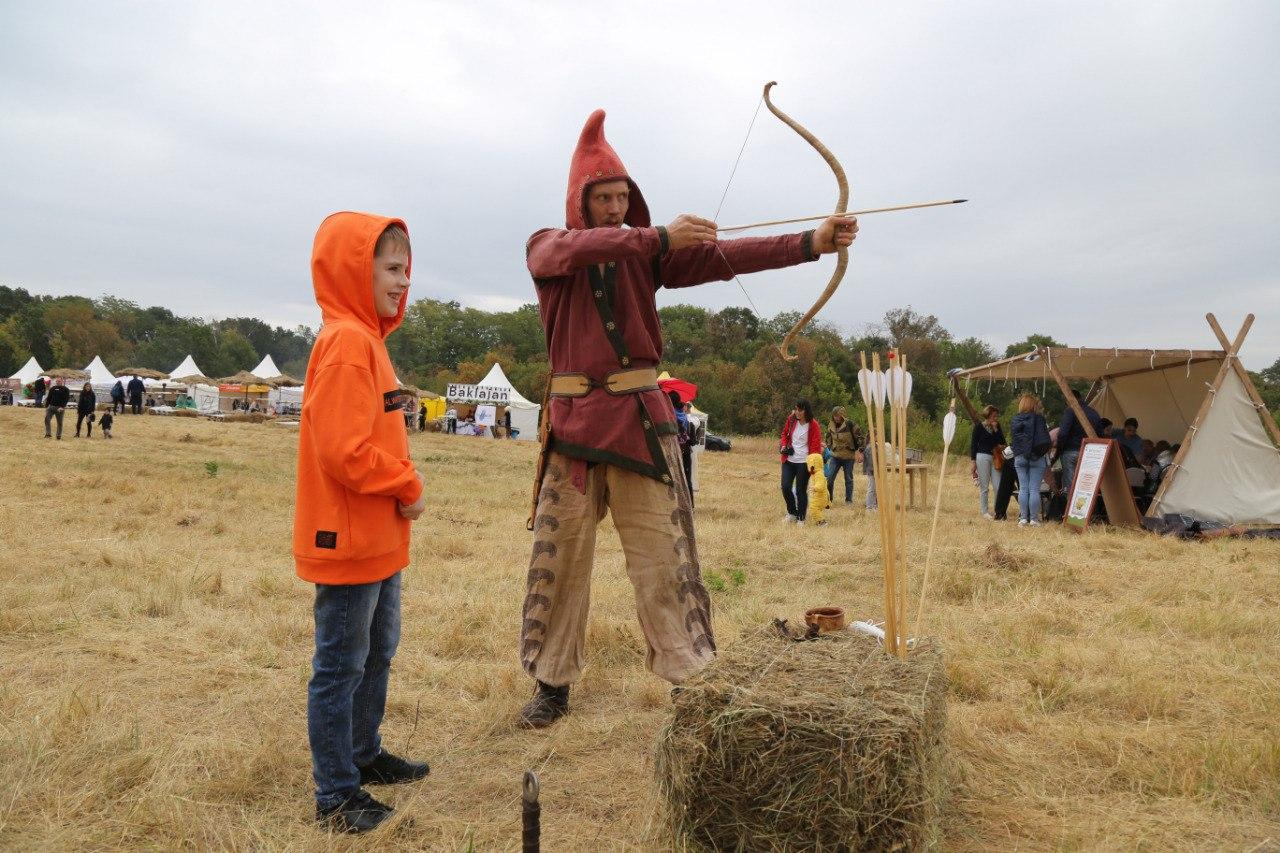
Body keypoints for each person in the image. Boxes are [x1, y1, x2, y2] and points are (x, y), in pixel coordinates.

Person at [517, 110, 858, 729]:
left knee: (664, 557)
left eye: (623, 197)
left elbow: (731, 256)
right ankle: (552, 684)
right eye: (604, 198)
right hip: (571, 428)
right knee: (560, 557)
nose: (616, 208)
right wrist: (657, 238)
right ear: (580, 202)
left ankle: (689, 679)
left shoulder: (649, 255)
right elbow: (564, 251)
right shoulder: (552, 245)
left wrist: (812, 243)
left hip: (638, 422)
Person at [293, 214, 431, 834]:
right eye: (392, 269)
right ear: (356, 270)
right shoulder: (348, 342)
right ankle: (336, 796)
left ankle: (362, 753)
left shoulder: (368, 341)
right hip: (349, 541)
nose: (405, 281)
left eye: (407, 269)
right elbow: (344, 451)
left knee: (376, 652)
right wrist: (406, 482)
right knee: (341, 665)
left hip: (378, 540)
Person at [1010, 393, 1052, 526]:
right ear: (1033, 405)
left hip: (1020, 456)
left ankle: (1023, 518)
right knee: (1034, 489)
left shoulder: (1015, 419)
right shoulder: (1039, 419)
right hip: (1036, 456)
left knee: (1023, 488)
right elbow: (1045, 439)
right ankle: (1033, 519)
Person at [780, 399, 824, 525]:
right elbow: (784, 434)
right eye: (796, 409)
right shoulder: (791, 419)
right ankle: (792, 513)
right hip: (789, 460)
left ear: (806, 411)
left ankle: (801, 518)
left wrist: (814, 464)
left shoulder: (813, 425)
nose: (797, 412)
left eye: (800, 410)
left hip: (804, 462)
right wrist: (784, 446)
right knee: (786, 487)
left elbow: (815, 446)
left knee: (800, 490)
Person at [1052, 390, 1102, 492]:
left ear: (1069, 399)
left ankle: (1069, 505)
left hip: (1071, 451)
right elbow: (1100, 434)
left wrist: (1059, 450)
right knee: (1086, 484)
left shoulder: (1070, 411)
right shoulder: (1094, 413)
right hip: (1089, 453)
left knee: (1070, 486)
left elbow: (1063, 433)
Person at [969, 404, 1006, 519]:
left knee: (997, 485)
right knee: (984, 486)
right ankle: (984, 511)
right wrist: (973, 461)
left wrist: (995, 430)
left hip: (995, 457)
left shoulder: (997, 426)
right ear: (988, 415)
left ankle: (998, 511)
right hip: (982, 456)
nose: (996, 418)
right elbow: (974, 444)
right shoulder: (979, 426)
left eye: (996, 416)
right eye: (994, 416)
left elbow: (1002, 442)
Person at [824, 405, 860, 506]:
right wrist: (830, 447)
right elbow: (828, 437)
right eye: (834, 415)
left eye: (838, 415)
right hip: (835, 456)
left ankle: (848, 500)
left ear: (842, 415)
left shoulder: (850, 424)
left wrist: (859, 450)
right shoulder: (830, 425)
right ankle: (828, 499)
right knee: (830, 478)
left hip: (848, 456)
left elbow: (859, 436)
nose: (836, 417)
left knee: (848, 478)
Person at [669, 390, 695, 507]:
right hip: (686, 451)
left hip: (673, 451)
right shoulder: (684, 416)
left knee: (673, 477)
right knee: (687, 478)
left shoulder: (670, 415)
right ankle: (690, 504)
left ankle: (674, 503)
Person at [806, 452, 830, 525]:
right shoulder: (815, 473)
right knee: (815, 508)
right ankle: (819, 521)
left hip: (820, 496)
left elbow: (821, 485)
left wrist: (815, 488)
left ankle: (822, 522)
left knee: (813, 508)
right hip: (817, 496)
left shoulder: (819, 474)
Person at [861, 440, 877, 511]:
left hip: (874, 470)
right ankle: (869, 507)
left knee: (874, 489)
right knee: (871, 488)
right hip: (871, 471)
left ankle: (874, 505)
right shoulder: (870, 447)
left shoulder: (875, 445)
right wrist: (874, 470)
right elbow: (871, 462)